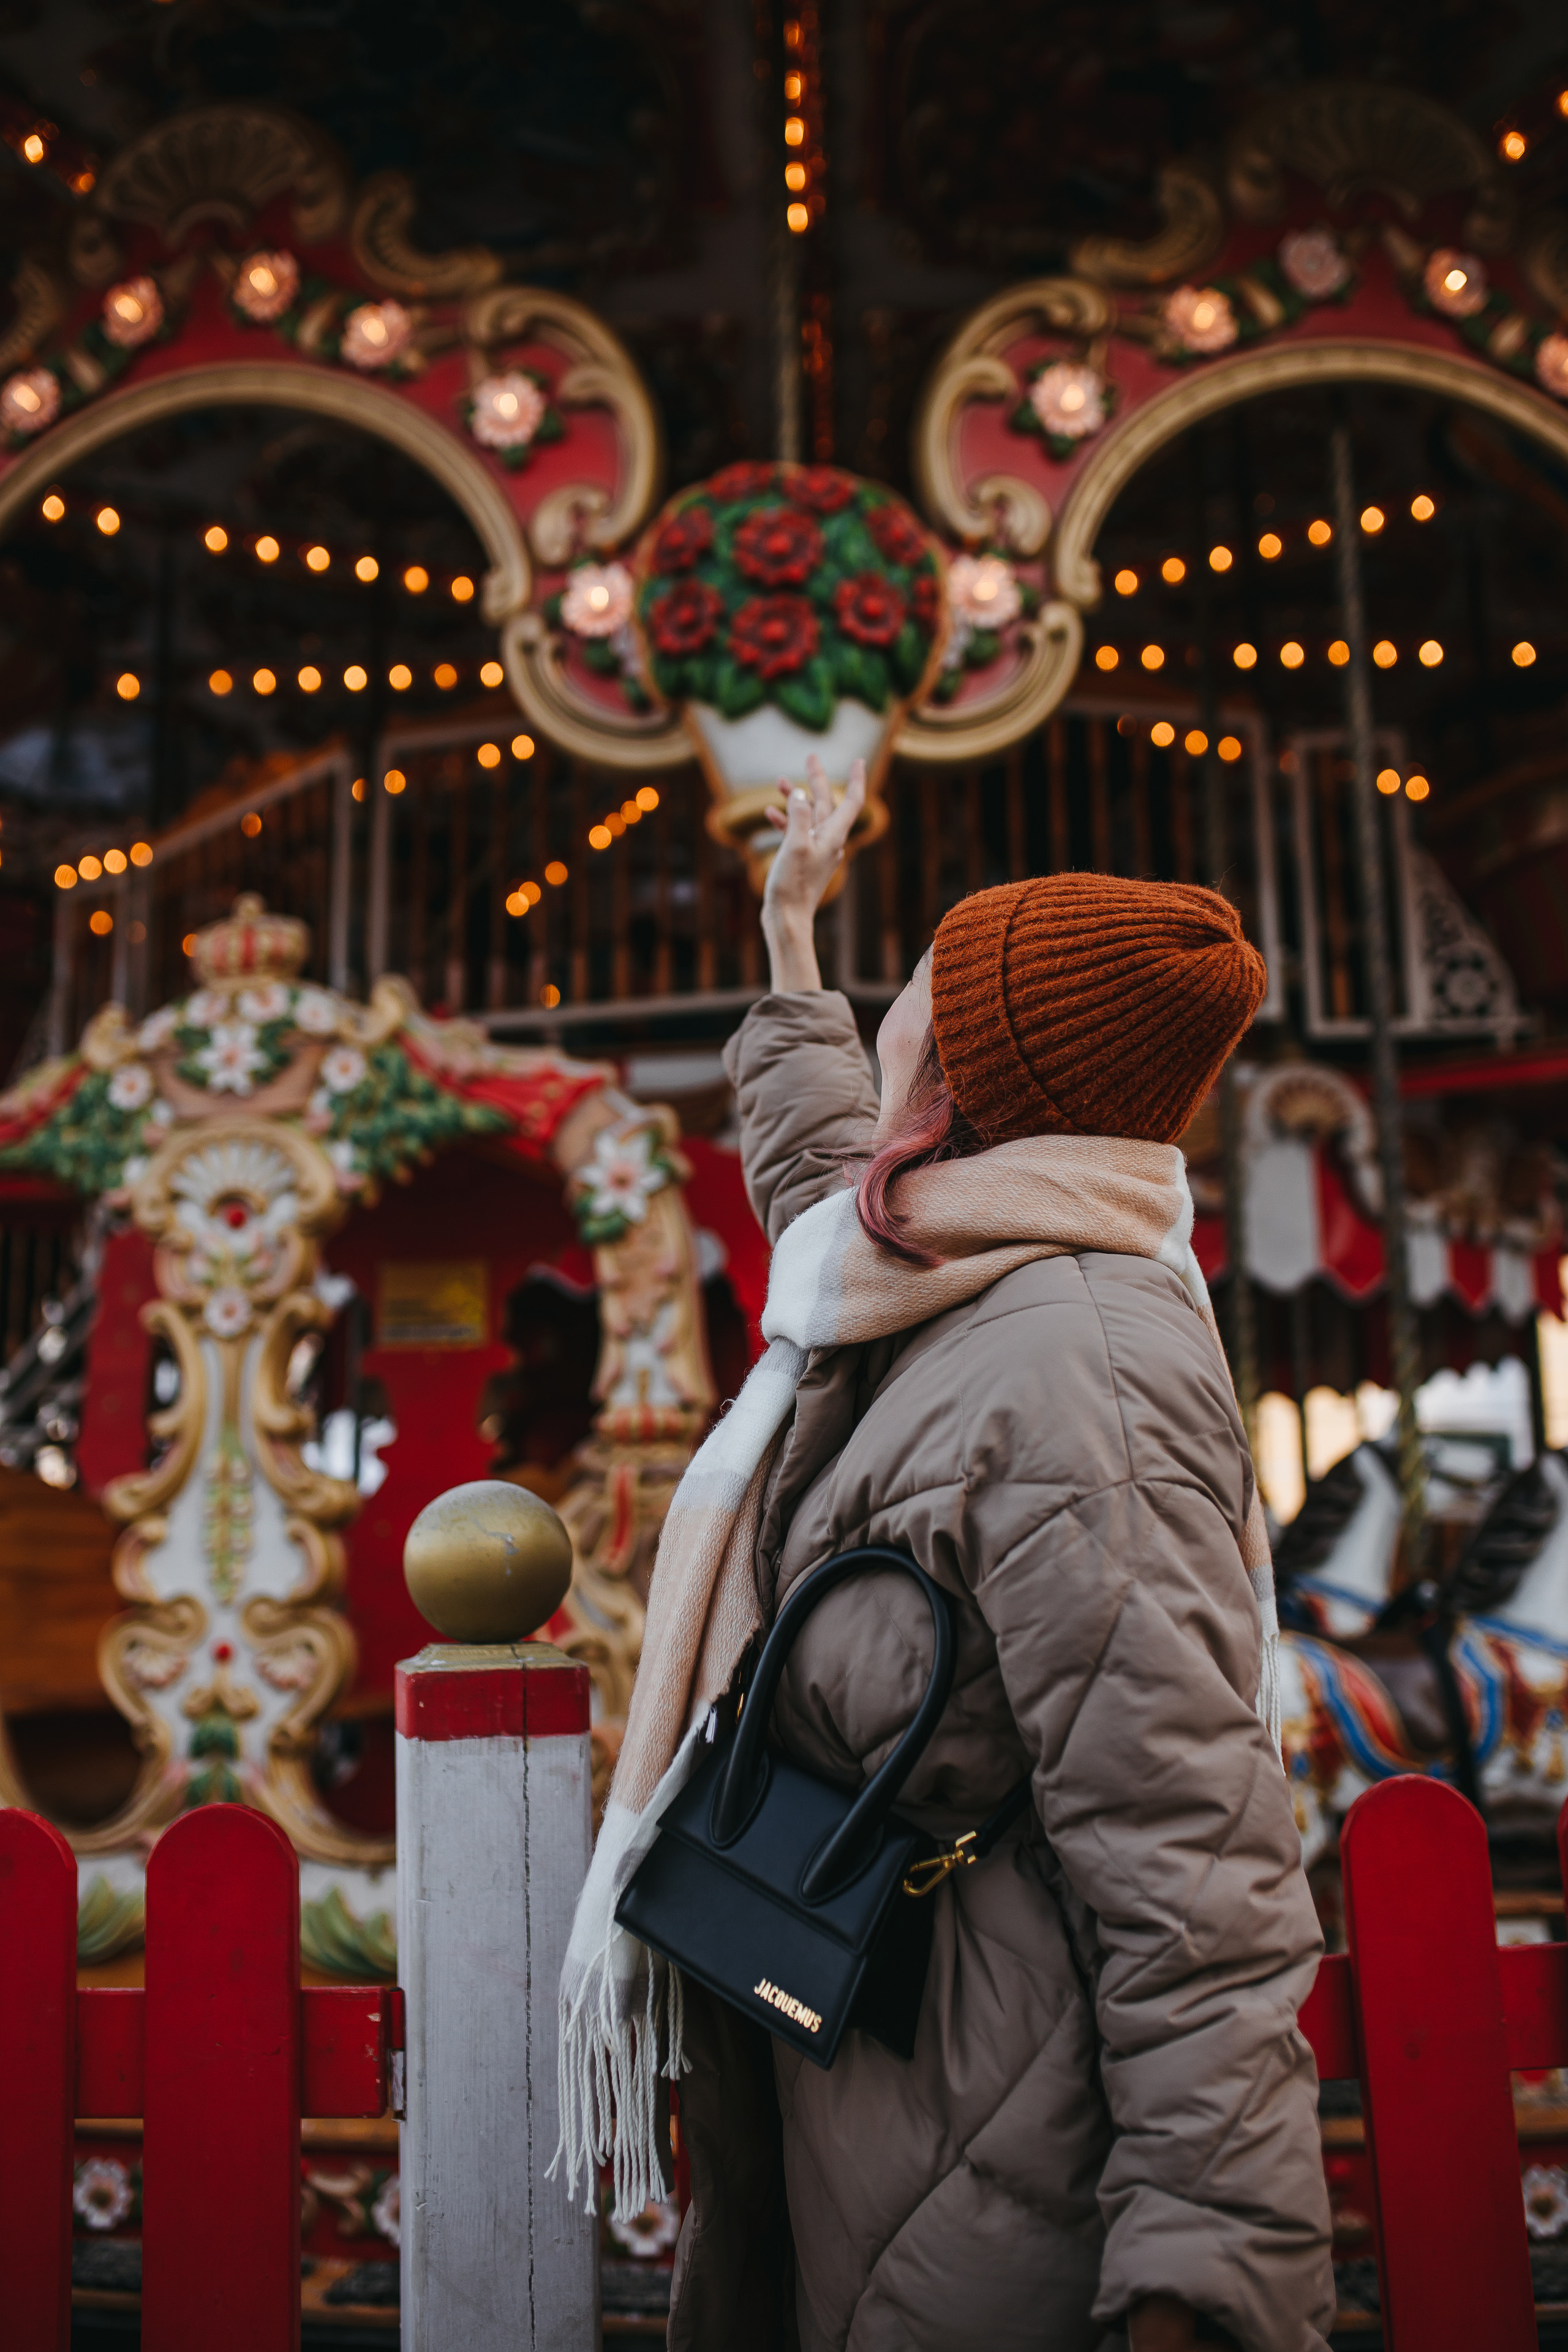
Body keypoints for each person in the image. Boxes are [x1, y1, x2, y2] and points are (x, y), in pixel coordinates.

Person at [558, 757, 1333, 2352]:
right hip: (880, 2069)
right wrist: (790, 935)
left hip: (987, 2135)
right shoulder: (948, 1266)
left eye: (916, 989)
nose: (892, 1007)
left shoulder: (1079, 1375)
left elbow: (1193, 1869)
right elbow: (813, 1178)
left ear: (967, 1075)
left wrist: (1202, 2281)